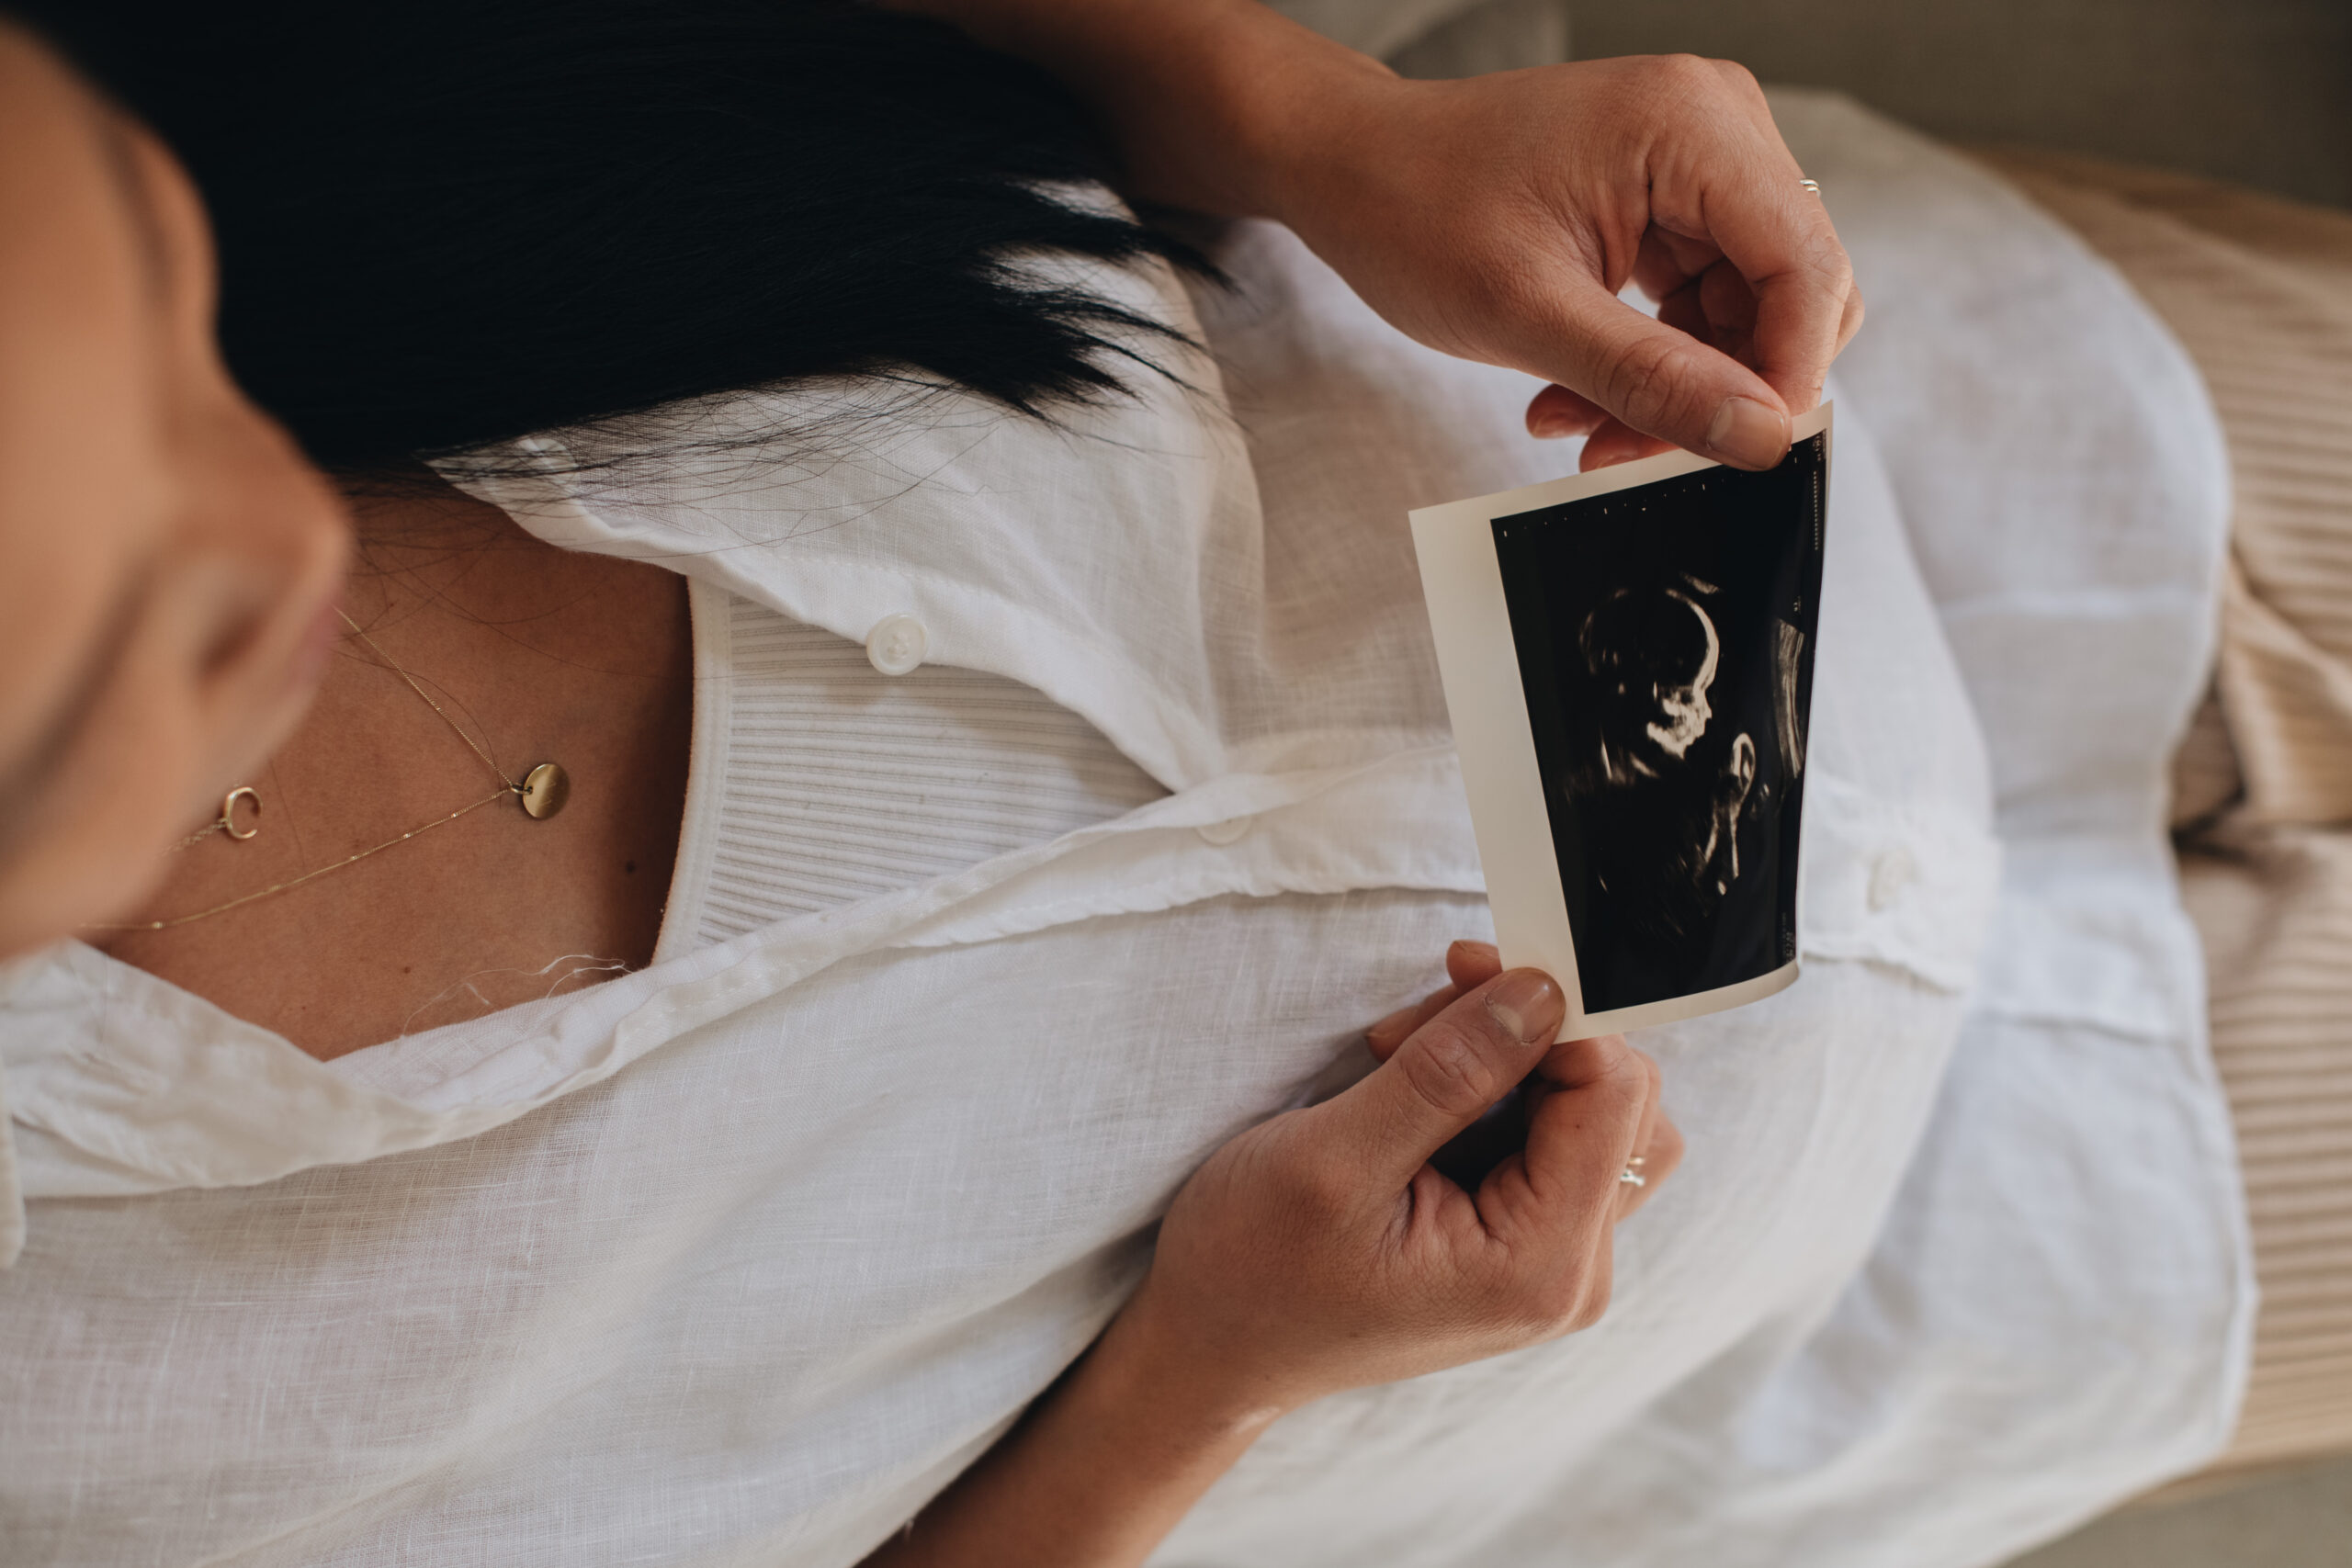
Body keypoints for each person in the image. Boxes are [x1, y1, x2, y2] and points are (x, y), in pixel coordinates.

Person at [0, 5, 2243, 1567]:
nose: (288, 513)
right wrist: (1198, 1381)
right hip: (1946, 1271)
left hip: (2013, 433)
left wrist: (1309, 116)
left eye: (165, 312)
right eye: (126, 637)